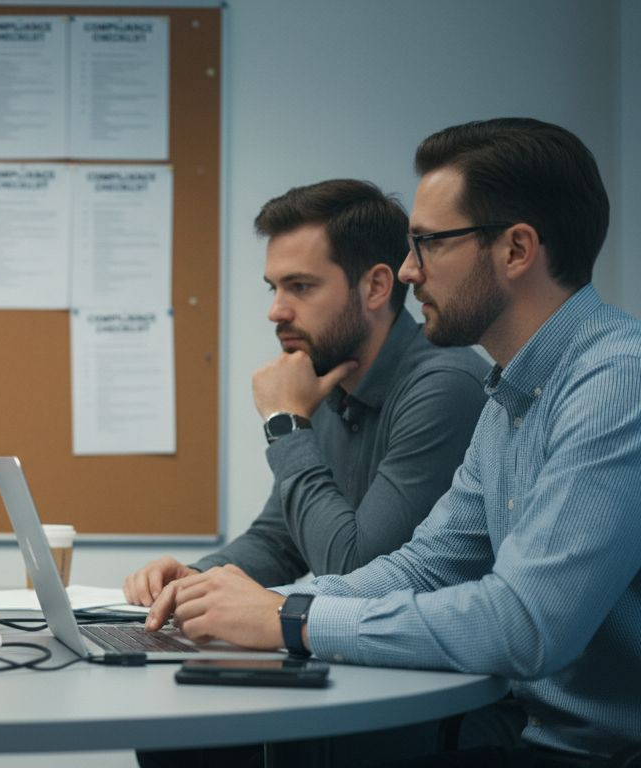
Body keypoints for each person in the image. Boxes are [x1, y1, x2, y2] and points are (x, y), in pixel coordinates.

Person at [148, 118, 641, 763]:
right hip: (526, 730)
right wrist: (257, 601)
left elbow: (525, 623)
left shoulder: (616, 385)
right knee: (192, 746)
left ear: (516, 250)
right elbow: (425, 564)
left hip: (591, 751)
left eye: (429, 244)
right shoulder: (510, 395)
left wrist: (291, 619)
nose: (409, 271)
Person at [124, 179, 488, 606]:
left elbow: (357, 572)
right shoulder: (329, 376)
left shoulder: (443, 387)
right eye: (273, 287)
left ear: (375, 287)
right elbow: (281, 538)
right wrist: (196, 577)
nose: (276, 311)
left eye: (300, 287)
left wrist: (287, 424)